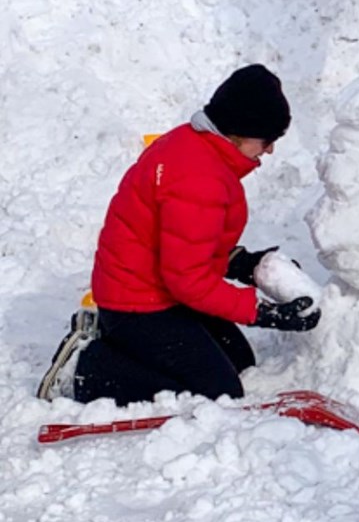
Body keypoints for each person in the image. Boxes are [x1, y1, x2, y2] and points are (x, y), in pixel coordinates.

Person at [50, 65, 322, 406]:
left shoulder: (197, 146)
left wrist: (243, 264)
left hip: (160, 290)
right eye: (267, 140)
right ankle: (85, 368)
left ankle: (118, 343)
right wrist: (262, 312)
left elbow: (187, 242)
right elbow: (188, 280)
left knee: (240, 361)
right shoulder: (199, 177)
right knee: (218, 392)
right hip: (136, 305)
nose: (269, 150)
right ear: (240, 130)